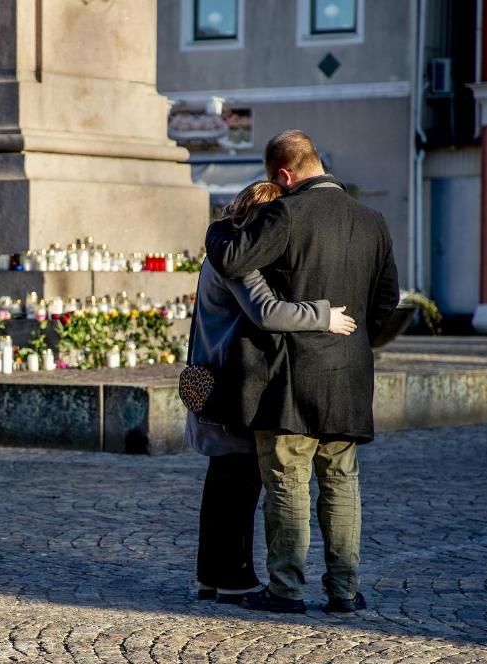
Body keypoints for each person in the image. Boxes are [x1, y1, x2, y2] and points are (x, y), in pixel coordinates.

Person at [204, 130, 400, 614]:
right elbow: (387, 301)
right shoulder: (372, 220)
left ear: (283, 175)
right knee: (341, 483)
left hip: (288, 378)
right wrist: (354, 341)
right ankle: (344, 591)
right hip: (348, 374)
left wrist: (219, 224)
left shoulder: (285, 213)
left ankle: (287, 590)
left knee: (287, 483)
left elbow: (229, 258)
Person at [189, 180, 357, 603]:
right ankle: (233, 578)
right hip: (231, 381)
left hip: (214, 375)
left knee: (224, 481)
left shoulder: (224, 250)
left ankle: (212, 577)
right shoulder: (239, 261)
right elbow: (266, 311)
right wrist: (324, 316)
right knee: (239, 485)